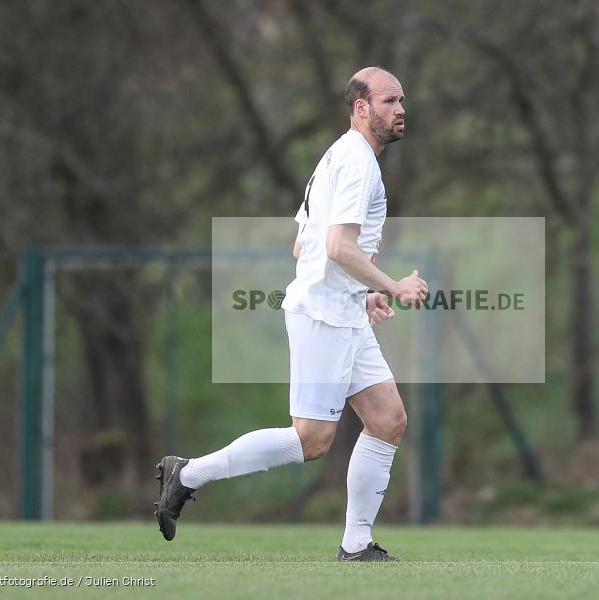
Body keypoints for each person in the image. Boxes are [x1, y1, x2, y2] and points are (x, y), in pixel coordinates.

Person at [155, 67, 428, 561]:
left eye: (401, 100)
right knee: (311, 441)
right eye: (389, 101)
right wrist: (391, 285)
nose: (400, 109)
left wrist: (358, 294)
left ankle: (357, 544)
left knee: (387, 419)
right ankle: (187, 473)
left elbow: (303, 243)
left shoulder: (341, 157)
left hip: (342, 311)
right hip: (322, 319)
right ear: (361, 108)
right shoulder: (358, 163)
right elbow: (338, 245)